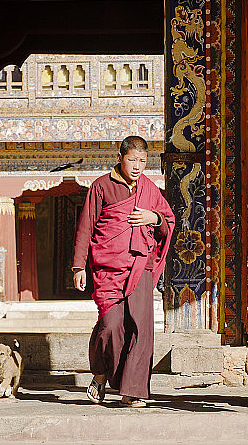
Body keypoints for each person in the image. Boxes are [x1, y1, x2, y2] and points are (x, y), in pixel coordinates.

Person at [71, 136, 174, 408]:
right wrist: (79, 266)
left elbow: (168, 220)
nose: (138, 166)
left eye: (143, 161)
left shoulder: (150, 189)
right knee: (111, 324)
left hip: (142, 264)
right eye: (132, 160)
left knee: (141, 328)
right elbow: (86, 228)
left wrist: (155, 218)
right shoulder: (101, 187)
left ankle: (133, 391)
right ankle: (101, 371)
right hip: (109, 267)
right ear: (120, 157)